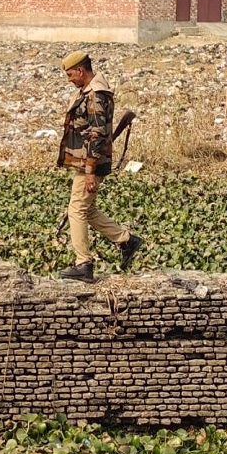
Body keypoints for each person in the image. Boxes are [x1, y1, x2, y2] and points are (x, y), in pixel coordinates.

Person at [56, 50, 142, 282]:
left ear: (81, 71)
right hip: (87, 161)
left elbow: (97, 134)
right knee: (88, 210)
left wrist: (91, 171)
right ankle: (126, 240)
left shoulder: (95, 96)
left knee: (76, 210)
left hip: (89, 163)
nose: (69, 79)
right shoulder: (90, 92)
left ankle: (83, 263)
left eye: (71, 74)